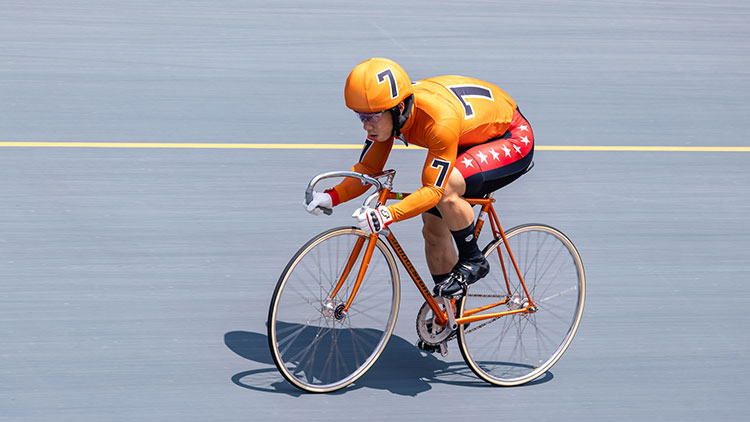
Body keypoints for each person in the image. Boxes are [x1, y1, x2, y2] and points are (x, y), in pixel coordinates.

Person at [305, 58, 534, 298]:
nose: (365, 126)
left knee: (445, 190)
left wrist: (387, 214)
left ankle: (473, 259)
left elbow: (434, 190)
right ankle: (448, 314)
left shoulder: (437, 121)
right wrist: (332, 196)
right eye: (360, 116)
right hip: (467, 135)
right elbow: (368, 168)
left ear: (399, 108)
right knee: (433, 231)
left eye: (371, 117)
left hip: (510, 137)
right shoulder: (390, 115)